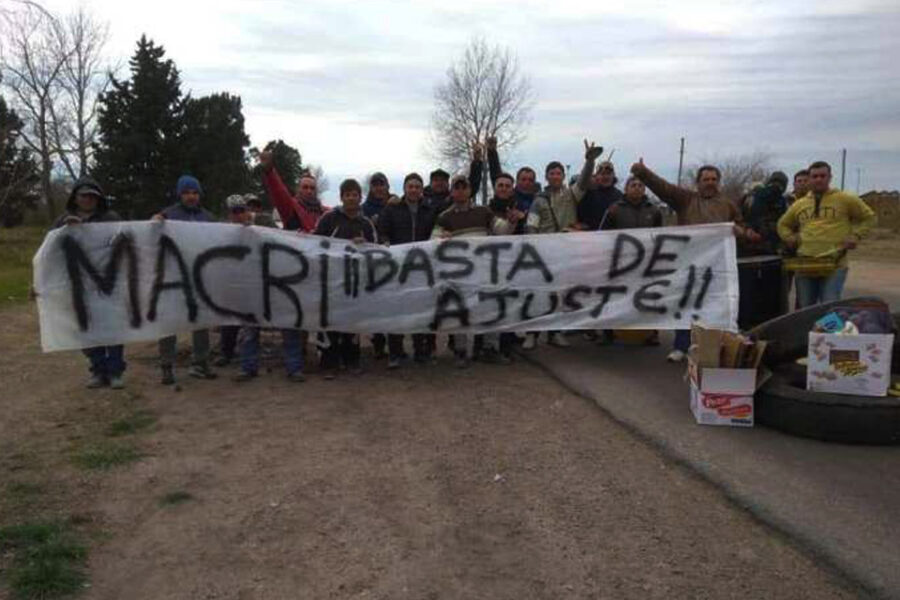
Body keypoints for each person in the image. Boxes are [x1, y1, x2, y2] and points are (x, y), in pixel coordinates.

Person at [630, 158, 760, 363]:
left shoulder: (728, 205)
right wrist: (643, 173)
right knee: (684, 304)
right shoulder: (686, 200)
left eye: (714, 179)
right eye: (706, 179)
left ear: (719, 182)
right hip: (687, 265)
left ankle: (711, 348)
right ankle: (681, 346)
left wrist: (741, 232)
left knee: (713, 307)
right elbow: (663, 188)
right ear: (698, 182)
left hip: (716, 269)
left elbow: (741, 229)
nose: (710, 182)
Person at [432, 174, 519, 368]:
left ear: (470, 190)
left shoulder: (483, 212)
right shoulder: (444, 217)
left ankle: (490, 349)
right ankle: (461, 351)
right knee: (460, 310)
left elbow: (502, 230)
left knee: (490, 307)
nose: (461, 191)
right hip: (458, 274)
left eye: (464, 187)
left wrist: (512, 221)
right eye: (457, 187)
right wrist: (441, 238)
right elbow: (432, 241)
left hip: (484, 271)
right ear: (452, 191)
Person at [523, 139, 602, 349]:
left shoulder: (571, 195)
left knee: (560, 294)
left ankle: (555, 332)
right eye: (552, 173)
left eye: (559, 173)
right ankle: (532, 333)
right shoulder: (538, 200)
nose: (556, 176)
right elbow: (531, 225)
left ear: (563, 176)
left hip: (566, 252)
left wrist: (590, 161)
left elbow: (585, 181)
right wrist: (533, 247)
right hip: (543, 252)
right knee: (540, 293)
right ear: (547, 176)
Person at [51, 177, 127, 389]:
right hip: (78, 283)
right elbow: (49, 251)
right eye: (84, 195)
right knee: (87, 327)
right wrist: (65, 231)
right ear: (75, 197)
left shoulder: (111, 218)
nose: (88, 200)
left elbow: (124, 243)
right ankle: (97, 369)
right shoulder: (62, 221)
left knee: (112, 326)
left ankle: (115, 371)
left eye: (93, 196)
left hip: (108, 283)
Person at [776, 161, 876, 308]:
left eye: (822, 176)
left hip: (835, 264)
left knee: (830, 308)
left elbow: (869, 217)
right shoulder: (799, 204)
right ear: (809, 179)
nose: (818, 179)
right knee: (805, 309)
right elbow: (782, 224)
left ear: (830, 177)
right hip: (806, 264)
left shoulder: (845, 199)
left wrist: (856, 235)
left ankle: (829, 331)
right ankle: (809, 331)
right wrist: (789, 237)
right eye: (814, 176)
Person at [152, 175, 218, 384]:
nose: (191, 196)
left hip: (199, 277)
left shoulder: (208, 217)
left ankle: (200, 362)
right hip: (173, 277)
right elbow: (151, 237)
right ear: (180, 194)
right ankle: (167, 365)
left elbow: (219, 240)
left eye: (195, 192)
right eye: (187, 192)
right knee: (169, 322)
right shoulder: (168, 215)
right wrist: (154, 223)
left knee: (201, 321)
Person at [314, 179, 378, 379]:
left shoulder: (366, 223)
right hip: (331, 280)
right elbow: (313, 243)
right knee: (330, 321)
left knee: (352, 322)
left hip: (355, 282)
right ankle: (329, 362)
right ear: (341, 197)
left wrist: (365, 244)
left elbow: (375, 249)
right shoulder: (328, 218)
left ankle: (352, 360)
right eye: (347, 194)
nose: (351, 198)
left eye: (355, 194)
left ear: (360, 197)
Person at [378, 173, 438, 368]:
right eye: (410, 186)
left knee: (420, 310)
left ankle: (420, 351)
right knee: (396, 310)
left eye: (417, 187)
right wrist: (385, 242)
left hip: (422, 269)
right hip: (397, 267)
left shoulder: (430, 210)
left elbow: (435, 232)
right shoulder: (392, 208)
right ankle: (395, 353)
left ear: (422, 190)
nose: (413, 190)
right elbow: (382, 231)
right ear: (404, 188)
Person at [601, 176, 664, 346]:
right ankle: (610, 332)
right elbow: (602, 235)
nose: (637, 188)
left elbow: (660, 236)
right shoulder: (614, 209)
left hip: (646, 264)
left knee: (648, 296)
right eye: (633, 185)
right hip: (621, 263)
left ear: (644, 189)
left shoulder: (654, 210)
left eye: (640, 185)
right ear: (626, 188)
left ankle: (651, 332)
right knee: (617, 297)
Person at [361, 172, 397, 359]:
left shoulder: (396, 205)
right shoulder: (364, 208)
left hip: (393, 260)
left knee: (391, 303)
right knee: (375, 304)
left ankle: (393, 344)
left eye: (381, 184)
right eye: (375, 184)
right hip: (372, 262)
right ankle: (378, 343)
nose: (378, 188)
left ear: (387, 185)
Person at [213, 194, 252, 367]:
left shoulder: (257, 230)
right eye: (234, 212)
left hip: (251, 282)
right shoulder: (220, 231)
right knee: (228, 320)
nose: (238, 215)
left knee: (251, 322)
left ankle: (249, 355)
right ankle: (226, 352)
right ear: (228, 214)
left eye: (241, 211)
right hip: (229, 281)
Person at [259, 150, 327, 233]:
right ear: (298, 190)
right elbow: (279, 192)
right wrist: (270, 171)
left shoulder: (325, 213)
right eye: (305, 187)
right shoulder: (291, 207)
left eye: (312, 188)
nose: (309, 191)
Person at [747, 171, 789, 255]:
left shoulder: (752, 196)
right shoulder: (782, 200)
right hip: (772, 243)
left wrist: (749, 229)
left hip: (754, 242)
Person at [579, 161, 624, 231]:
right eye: (602, 174)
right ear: (596, 176)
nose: (605, 177)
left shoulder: (620, 196)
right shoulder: (588, 194)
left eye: (608, 174)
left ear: (613, 176)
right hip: (592, 237)